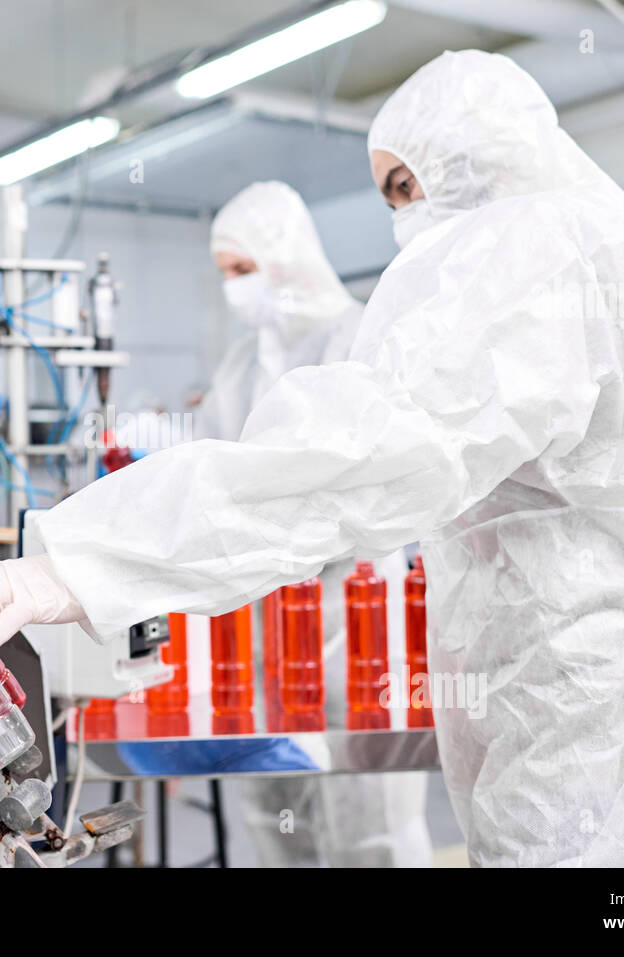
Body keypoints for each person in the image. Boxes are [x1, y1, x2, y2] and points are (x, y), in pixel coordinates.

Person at [0, 50, 624, 866]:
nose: (404, 216)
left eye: (408, 184)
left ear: (476, 155)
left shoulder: (528, 252)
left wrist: (86, 562)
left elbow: (352, 458)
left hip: (582, 725)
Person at [199, 180, 431, 868]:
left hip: (353, 610)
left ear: (284, 256)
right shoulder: (240, 365)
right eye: (225, 275)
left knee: (368, 815)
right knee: (276, 808)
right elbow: (212, 472)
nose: (234, 289)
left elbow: (362, 476)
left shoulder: (359, 335)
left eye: (242, 270)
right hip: (267, 618)